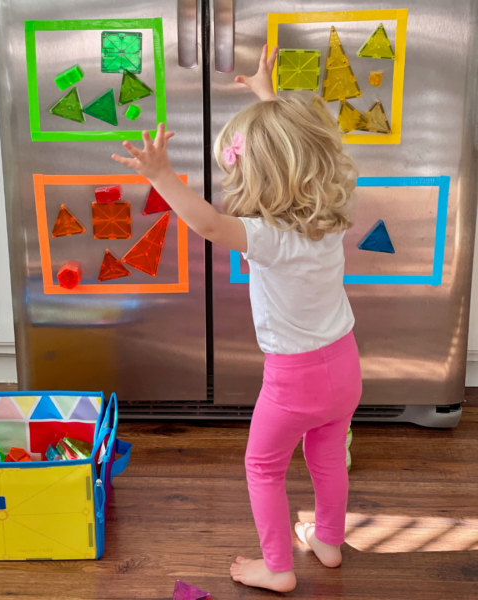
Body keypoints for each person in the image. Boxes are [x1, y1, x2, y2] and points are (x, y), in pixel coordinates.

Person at [112, 44, 362, 594]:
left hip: (293, 379)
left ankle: (277, 568)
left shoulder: (265, 238)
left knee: (264, 466)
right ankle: (328, 541)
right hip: (344, 366)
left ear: (257, 176)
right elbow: (292, 150)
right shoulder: (329, 219)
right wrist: (267, 97)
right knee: (326, 456)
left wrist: (161, 176)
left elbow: (206, 225)